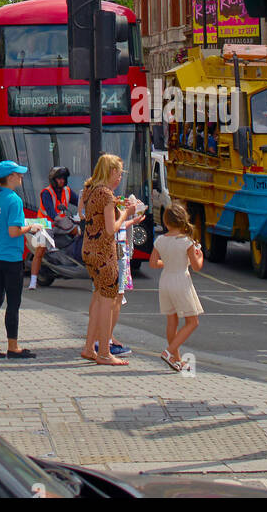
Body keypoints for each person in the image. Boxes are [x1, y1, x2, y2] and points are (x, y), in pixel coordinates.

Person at [78, 154, 138, 368]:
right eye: (119, 173)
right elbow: (112, 229)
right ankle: (104, 351)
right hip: (105, 253)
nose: (120, 177)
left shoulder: (90, 190)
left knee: (97, 297)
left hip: (89, 250)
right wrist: (126, 213)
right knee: (107, 301)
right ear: (111, 172)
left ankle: (88, 347)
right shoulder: (107, 195)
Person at [0, 160, 40, 359]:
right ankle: (13, 346)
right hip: (11, 257)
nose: (21, 176)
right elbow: (14, 231)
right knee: (13, 303)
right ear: (10, 177)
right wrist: (30, 228)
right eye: (18, 174)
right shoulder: (14, 200)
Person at [149, 202, 204, 371]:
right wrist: (200, 256)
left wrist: (167, 261)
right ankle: (169, 352)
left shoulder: (160, 240)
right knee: (192, 321)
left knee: (171, 320)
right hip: (181, 280)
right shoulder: (186, 241)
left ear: (166, 222)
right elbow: (196, 267)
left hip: (165, 280)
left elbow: (152, 263)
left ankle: (177, 359)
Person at [29, 165, 79, 288]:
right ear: (53, 179)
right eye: (59, 178)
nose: (61, 181)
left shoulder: (67, 191)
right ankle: (33, 281)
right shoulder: (46, 192)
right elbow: (51, 211)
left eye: (63, 178)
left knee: (79, 232)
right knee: (40, 250)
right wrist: (63, 221)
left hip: (60, 223)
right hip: (45, 224)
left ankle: (72, 259)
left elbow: (79, 201)